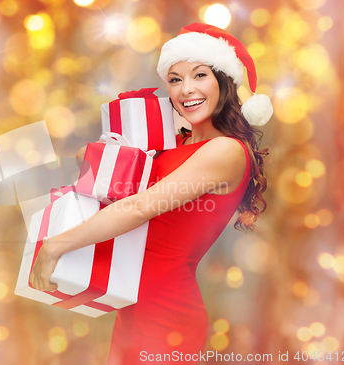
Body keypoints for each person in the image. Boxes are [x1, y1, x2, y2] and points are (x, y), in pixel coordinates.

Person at [30, 23, 272, 364]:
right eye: (175, 79)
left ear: (223, 81)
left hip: (167, 311)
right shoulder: (178, 144)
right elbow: (101, 175)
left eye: (199, 75)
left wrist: (55, 245)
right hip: (132, 302)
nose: (186, 90)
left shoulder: (226, 151)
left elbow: (140, 206)